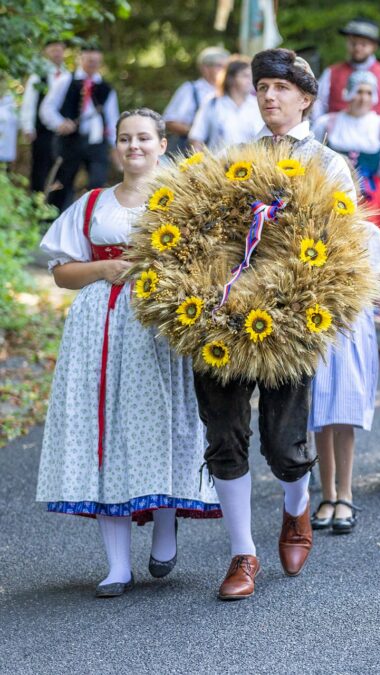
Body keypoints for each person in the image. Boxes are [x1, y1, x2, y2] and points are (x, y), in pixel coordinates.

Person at [36, 108, 220, 598]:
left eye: (143, 138)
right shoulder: (93, 202)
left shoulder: (181, 202)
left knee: (158, 419)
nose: (133, 146)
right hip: (99, 325)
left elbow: (208, 262)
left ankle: (164, 523)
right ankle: (117, 565)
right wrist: (101, 271)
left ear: (163, 144)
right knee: (106, 430)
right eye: (124, 138)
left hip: (158, 323)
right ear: (116, 146)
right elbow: (61, 270)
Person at [196, 48, 357, 601]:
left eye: (281, 88)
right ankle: (244, 554)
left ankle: (296, 511)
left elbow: (344, 247)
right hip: (226, 313)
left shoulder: (329, 164)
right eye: (262, 86)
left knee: (286, 445)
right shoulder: (234, 158)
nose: (269, 96)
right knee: (224, 433)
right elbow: (208, 229)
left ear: (306, 98)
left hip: (291, 315)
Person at [309, 220, 380, 534]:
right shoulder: (307, 227)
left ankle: (344, 493)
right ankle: (327, 494)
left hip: (351, 331)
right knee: (320, 414)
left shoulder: (367, 233)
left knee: (344, 414)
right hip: (316, 329)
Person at [313, 70, 380, 238]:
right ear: (348, 93)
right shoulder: (327, 124)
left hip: (372, 198)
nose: (364, 98)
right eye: (359, 91)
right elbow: (312, 160)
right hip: (331, 194)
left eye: (369, 93)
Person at [39, 44, 119, 210]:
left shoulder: (106, 88)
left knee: (98, 183)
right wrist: (60, 123)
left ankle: (91, 218)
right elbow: (47, 108)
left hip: (97, 142)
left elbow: (112, 119)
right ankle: (53, 219)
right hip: (69, 141)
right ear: (81, 59)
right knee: (62, 183)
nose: (92, 64)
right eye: (89, 60)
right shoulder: (66, 80)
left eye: (96, 61)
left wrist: (114, 146)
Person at [317, 18, 380, 119]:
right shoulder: (331, 73)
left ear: (374, 46)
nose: (357, 48)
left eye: (363, 44)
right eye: (353, 43)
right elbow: (318, 108)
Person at [20, 39, 68, 193]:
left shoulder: (68, 75)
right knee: (41, 167)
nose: (57, 52)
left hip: (63, 132)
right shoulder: (38, 76)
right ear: (46, 52)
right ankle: (37, 202)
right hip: (42, 131)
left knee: (61, 168)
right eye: (53, 49)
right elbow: (29, 102)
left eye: (60, 49)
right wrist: (28, 126)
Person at [163, 46, 229, 154]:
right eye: (219, 66)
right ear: (205, 68)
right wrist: (198, 133)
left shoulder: (229, 92)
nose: (224, 70)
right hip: (191, 154)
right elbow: (170, 121)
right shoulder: (190, 90)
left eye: (227, 66)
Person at [188, 56, 263, 151]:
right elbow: (196, 138)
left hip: (253, 164)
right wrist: (200, 163)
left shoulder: (258, 105)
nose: (251, 80)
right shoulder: (212, 102)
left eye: (252, 76)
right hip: (217, 164)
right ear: (230, 79)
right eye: (245, 76)